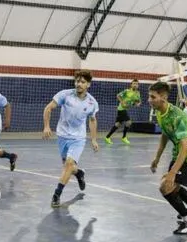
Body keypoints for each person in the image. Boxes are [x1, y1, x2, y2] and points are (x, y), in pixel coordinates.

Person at [148, 81, 187, 235]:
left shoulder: (176, 116)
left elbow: (186, 146)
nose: (149, 100)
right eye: (149, 96)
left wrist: (173, 172)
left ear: (163, 97)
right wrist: (157, 158)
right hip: (179, 152)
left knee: (166, 186)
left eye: (153, 97)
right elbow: (165, 134)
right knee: (172, 185)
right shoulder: (160, 112)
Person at [42, 70, 99, 208]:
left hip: (78, 138)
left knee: (68, 165)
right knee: (70, 167)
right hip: (62, 135)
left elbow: (92, 120)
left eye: (83, 82)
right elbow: (48, 108)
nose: (79, 84)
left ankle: (56, 195)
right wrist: (46, 126)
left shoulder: (92, 102)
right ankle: (79, 173)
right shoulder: (65, 95)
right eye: (77, 81)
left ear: (88, 84)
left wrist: (93, 139)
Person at [104, 79, 141, 144]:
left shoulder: (137, 93)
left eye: (136, 84)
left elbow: (137, 102)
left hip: (124, 109)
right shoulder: (127, 91)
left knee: (117, 125)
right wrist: (122, 102)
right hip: (121, 109)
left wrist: (137, 104)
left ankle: (107, 137)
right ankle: (124, 137)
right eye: (134, 83)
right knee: (129, 122)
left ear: (138, 85)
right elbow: (118, 95)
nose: (135, 85)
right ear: (131, 84)